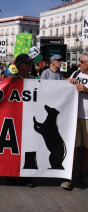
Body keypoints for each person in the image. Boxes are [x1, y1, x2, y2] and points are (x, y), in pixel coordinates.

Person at [61, 52, 88, 190]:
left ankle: (82, 173)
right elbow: (64, 85)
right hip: (74, 116)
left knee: (86, 148)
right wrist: (68, 81)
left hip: (87, 118)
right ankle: (68, 177)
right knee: (73, 147)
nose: (79, 64)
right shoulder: (76, 74)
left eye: (82, 62)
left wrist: (86, 89)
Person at [8, 53, 35, 187]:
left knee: (29, 147)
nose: (31, 65)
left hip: (29, 119)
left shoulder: (35, 80)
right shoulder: (10, 81)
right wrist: (9, 82)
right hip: (14, 120)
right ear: (19, 66)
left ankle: (26, 176)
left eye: (31, 63)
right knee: (13, 148)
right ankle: (11, 174)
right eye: (28, 63)